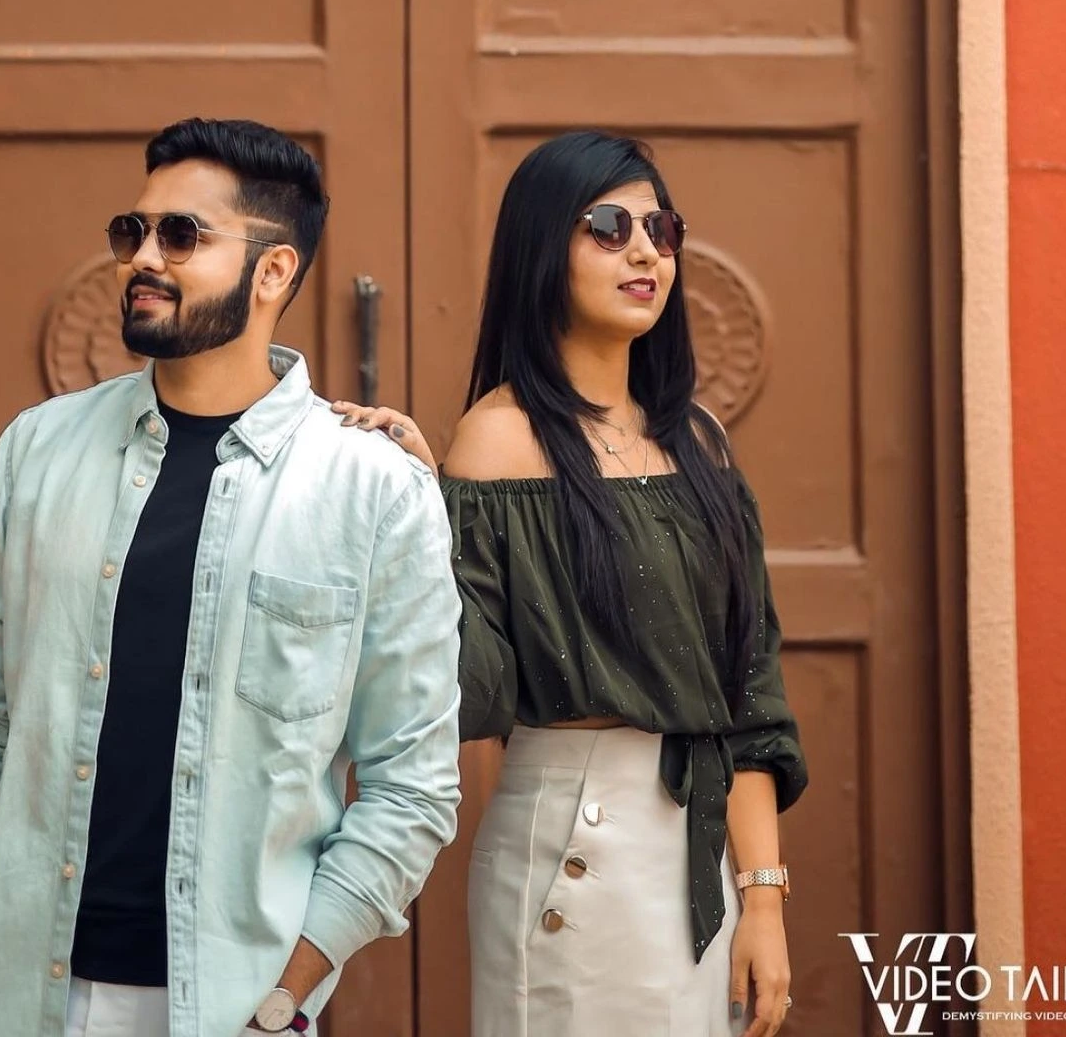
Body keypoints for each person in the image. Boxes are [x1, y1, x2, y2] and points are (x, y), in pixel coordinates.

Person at [0, 117, 462, 1037]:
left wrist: (284, 1001)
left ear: (272, 271)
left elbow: (410, 786)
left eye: (181, 235)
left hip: (235, 1007)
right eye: (134, 231)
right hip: (16, 993)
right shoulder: (36, 452)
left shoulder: (370, 490)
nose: (142, 258)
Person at [331, 130, 805, 1037]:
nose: (644, 250)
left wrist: (765, 896)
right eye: (606, 225)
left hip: (696, 858)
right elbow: (471, 688)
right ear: (542, 248)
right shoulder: (499, 440)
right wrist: (429, 521)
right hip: (571, 845)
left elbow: (748, 688)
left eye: (659, 227)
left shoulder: (697, 440)